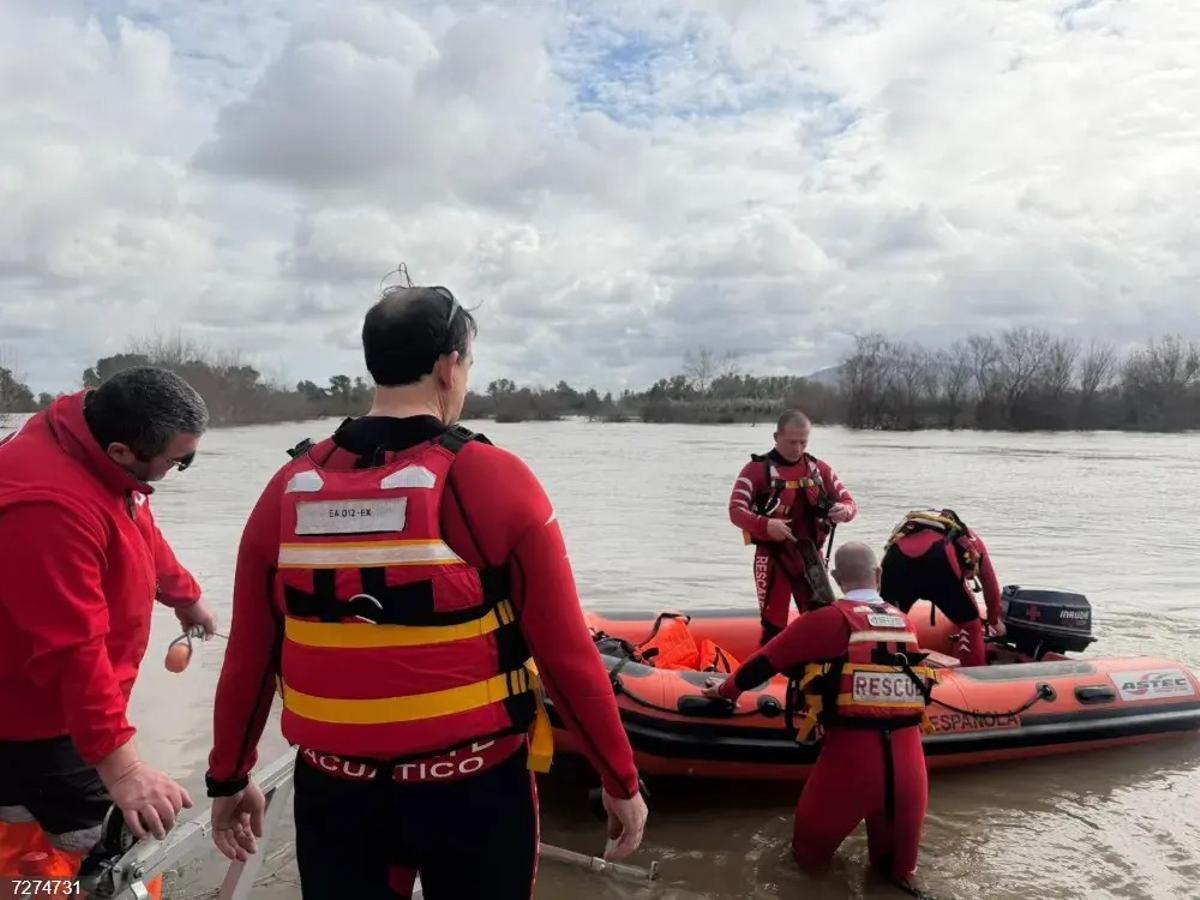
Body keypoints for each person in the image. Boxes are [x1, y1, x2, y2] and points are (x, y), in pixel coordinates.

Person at [204, 279, 648, 899]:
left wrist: (227, 778)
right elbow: (568, 655)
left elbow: (248, 659)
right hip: (472, 791)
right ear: (449, 366)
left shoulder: (287, 487)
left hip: (336, 795)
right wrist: (620, 780)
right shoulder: (492, 479)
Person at [0, 367, 215, 890]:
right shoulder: (47, 507)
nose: (182, 467)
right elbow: (72, 649)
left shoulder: (91, 448)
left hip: (72, 716)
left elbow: (138, 523)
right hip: (41, 722)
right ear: (121, 450)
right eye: (177, 462)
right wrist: (124, 772)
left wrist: (184, 596)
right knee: (132, 849)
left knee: (25, 845)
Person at [703, 542, 935, 889]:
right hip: (910, 769)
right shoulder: (905, 625)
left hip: (850, 764)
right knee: (898, 878)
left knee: (806, 863)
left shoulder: (826, 620)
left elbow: (762, 665)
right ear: (879, 575)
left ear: (837, 578)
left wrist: (723, 691)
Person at [728, 409, 857, 644]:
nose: (797, 449)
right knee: (773, 626)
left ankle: (816, 672)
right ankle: (770, 674)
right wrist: (765, 525)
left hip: (810, 558)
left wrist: (843, 512)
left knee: (822, 620)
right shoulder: (756, 470)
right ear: (776, 437)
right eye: (791, 442)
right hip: (773, 557)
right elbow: (736, 511)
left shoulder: (819, 469)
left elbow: (850, 503)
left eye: (803, 442)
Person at [880, 508, 1005, 667]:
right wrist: (994, 620)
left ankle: (883, 668)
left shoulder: (905, 533)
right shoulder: (971, 540)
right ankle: (974, 676)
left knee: (888, 622)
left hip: (897, 561)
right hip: (940, 564)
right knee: (970, 626)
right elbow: (990, 586)